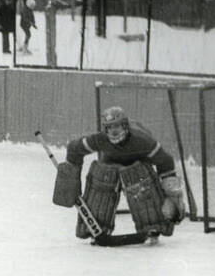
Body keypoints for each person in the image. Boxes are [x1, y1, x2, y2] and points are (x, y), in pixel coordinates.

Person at [52, 105, 186, 245]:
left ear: (125, 126)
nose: (113, 131)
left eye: (117, 126)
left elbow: (165, 161)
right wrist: (69, 175)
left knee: (137, 176)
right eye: (109, 127)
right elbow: (74, 148)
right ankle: (95, 228)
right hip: (110, 169)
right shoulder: (101, 139)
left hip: (139, 171)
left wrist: (173, 195)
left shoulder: (142, 141)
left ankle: (152, 226)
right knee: (103, 174)